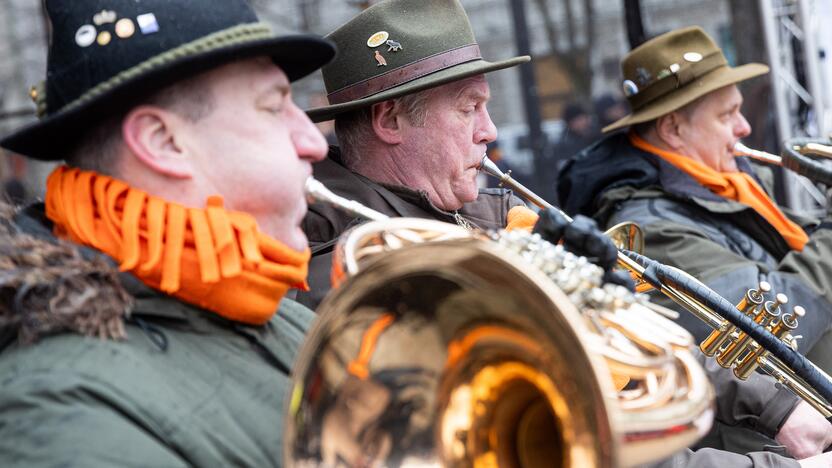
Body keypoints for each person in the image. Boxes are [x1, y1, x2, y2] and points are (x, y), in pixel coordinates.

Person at [0, 0, 334, 465]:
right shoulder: (60, 414)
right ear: (163, 142)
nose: (314, 141)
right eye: (275, 106)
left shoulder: (267, 306)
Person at [558, 26, 832, 465]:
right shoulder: (651, 226)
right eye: (727, 115)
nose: (744, 128)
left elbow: (801, 250)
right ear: (672, 128)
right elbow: (770, 336)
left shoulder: (728, 188)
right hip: (781, 451)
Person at [299, 0, 530, 309]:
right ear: (391, 120)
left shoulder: (501, 214)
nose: (490, 131)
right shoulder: (339, 260)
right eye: (469, 108)